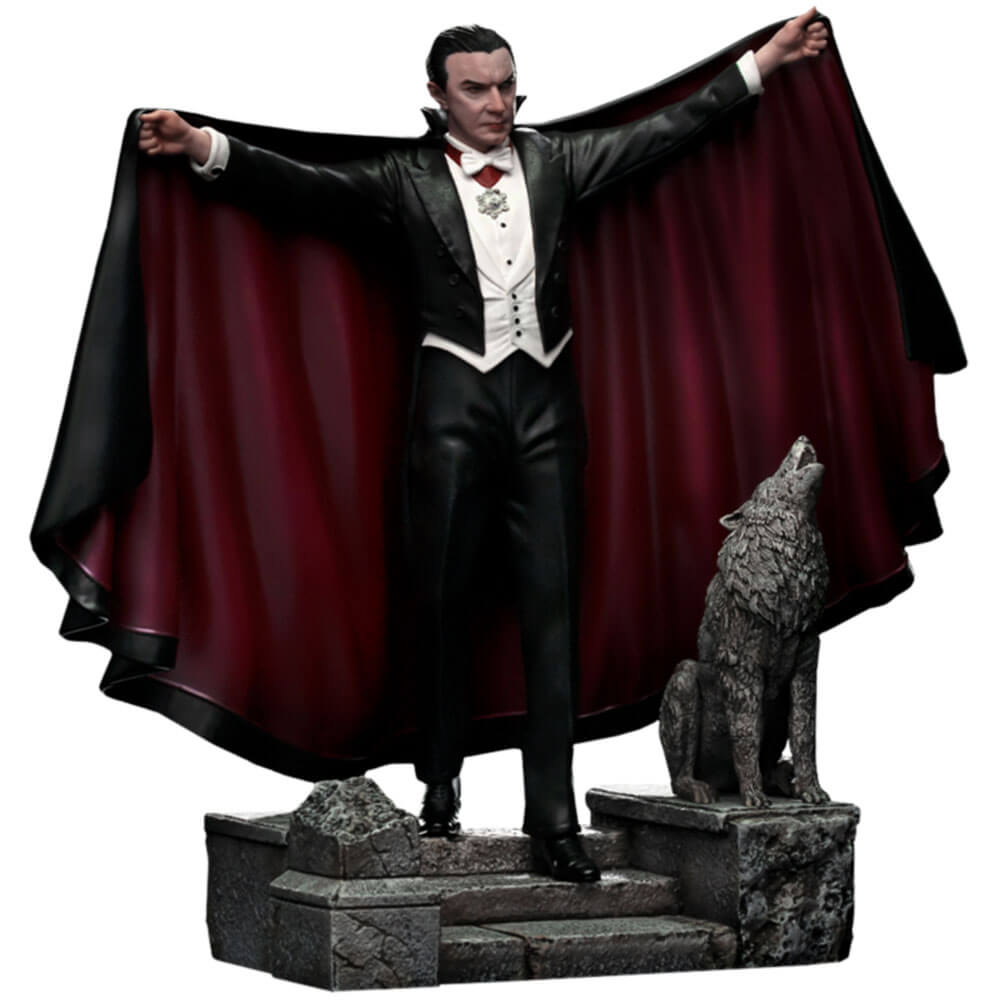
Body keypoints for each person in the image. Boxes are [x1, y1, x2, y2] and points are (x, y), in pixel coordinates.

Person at [137, 10, 828, 882]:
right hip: (451, 416)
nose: (497, 103)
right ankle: (439, 781)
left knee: (554, 614)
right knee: (441, 605)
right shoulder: (404, 178)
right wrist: (202, 146)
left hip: (548, 414)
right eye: (476, 88)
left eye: (507, 85)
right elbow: (302, 187)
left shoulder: (556, 160)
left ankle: (554, 823)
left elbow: (669, 130)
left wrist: (764, 63)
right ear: (438, 95)